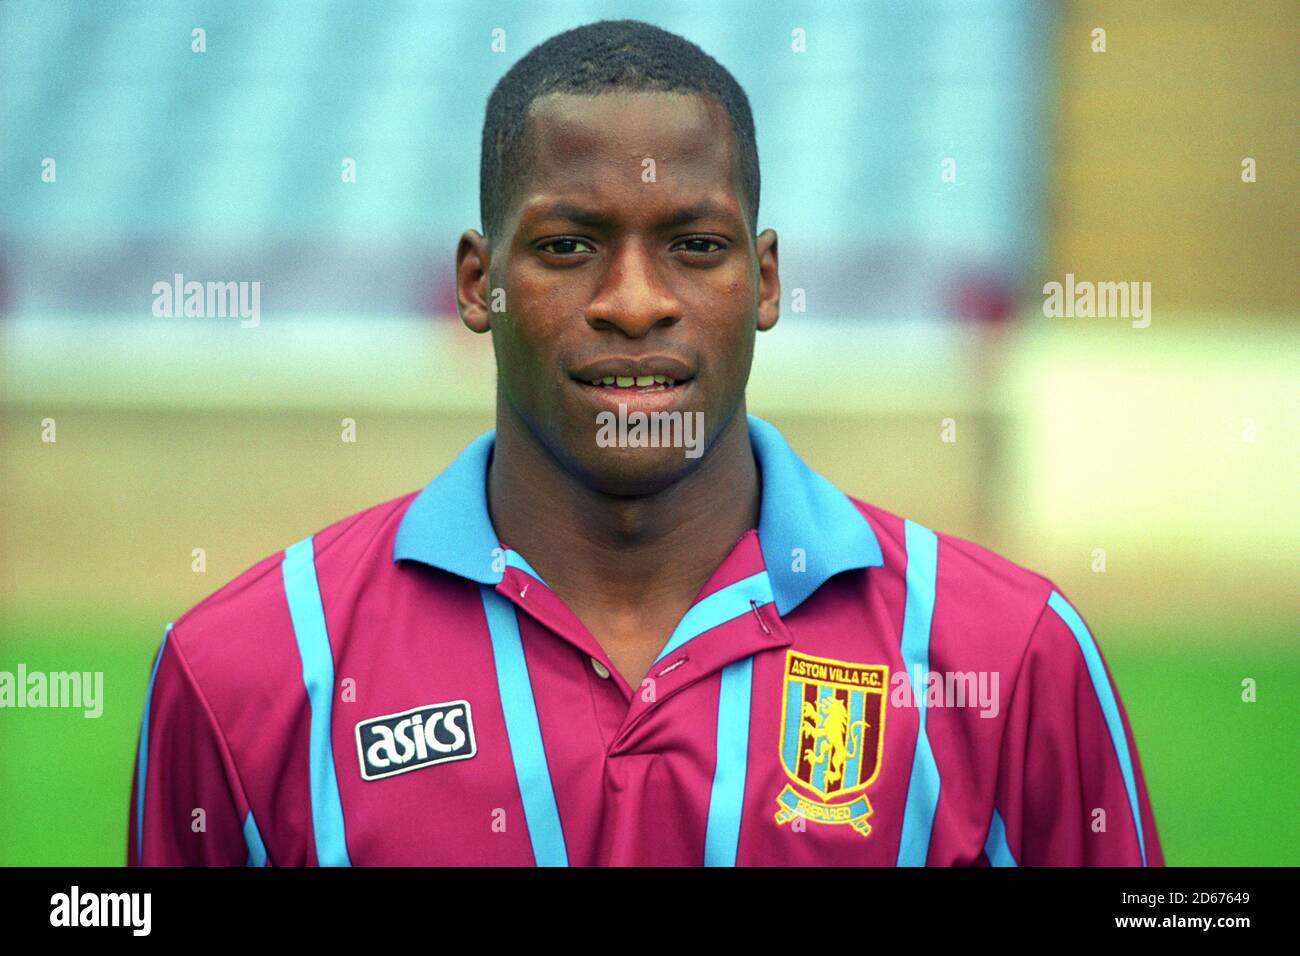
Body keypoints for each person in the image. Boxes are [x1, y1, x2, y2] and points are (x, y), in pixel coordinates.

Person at [129, 18, 1162, 866]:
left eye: (695, 245)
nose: (632, 302)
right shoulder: (252, 670)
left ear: (762, 281)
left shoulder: (1006, 657)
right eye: (567, 245)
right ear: (475, 283)